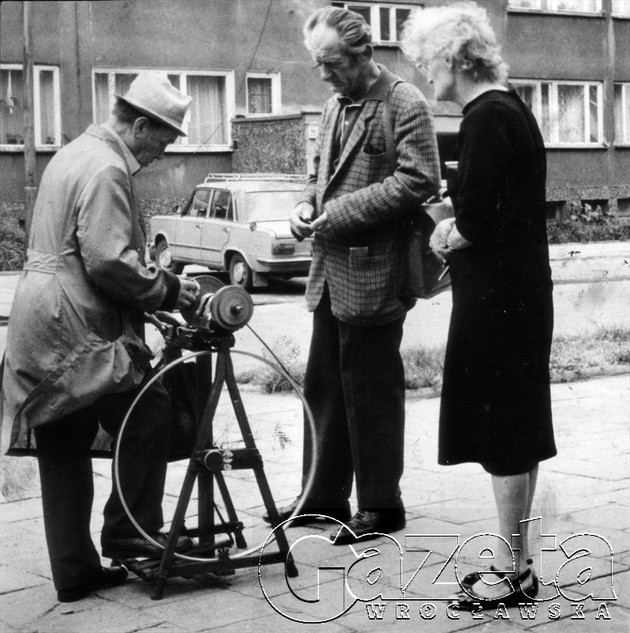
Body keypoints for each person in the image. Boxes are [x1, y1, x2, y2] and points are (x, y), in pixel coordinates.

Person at [0, 71, 201, 602]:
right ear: (139, 125)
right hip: (74, 319)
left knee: (62, 441)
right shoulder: (110, 167)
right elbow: (109, 260)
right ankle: (131, 533)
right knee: (149, 408)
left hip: (37, 313)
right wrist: (171, 291)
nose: (161, 152)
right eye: (163, 140)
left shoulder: (72, 153)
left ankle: (74, 570)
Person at [401, 1, 556, 608]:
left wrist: (445, 231)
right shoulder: (510, 107)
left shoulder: (484, 116)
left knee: (503, 432)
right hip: (517, 295)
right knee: (517, 426)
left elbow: (484, 216)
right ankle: (518, 564)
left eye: (424, 63)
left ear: (449, 59)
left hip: (497, 300)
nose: (423, 76)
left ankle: (511, 570)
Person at [274, 6, 441, 546]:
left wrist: (338, 214)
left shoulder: (403, 103)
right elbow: (317, 175)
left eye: (331, 64)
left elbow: (419, 179)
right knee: (323, 385)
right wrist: (304, 206)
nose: (323, 74)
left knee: (371, 390)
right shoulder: (333, 104)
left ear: (364, 54)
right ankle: (320, 498)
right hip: (329, 270)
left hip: (376, 273)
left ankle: (380, 506)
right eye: (317, 63)